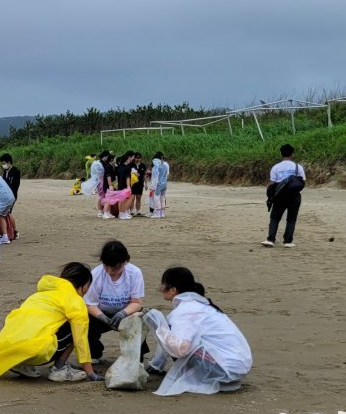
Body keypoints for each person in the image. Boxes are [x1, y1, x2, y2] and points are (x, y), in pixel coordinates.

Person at [0, 261, 101, 382]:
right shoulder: (75, 301)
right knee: (77, 326)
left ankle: (20, 362)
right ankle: (59, 369)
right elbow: (80, 339)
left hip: (11, 345)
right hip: (37, 351)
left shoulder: (40, 295)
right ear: (84, 285)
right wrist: (90, 372)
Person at [144, 266, 252, 395]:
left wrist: (157, 324)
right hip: (237, 367)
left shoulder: (186, 309)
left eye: (163, 285)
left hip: (225, 371)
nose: (161, 289)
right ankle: (157, 366)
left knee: (167, 331)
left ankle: (206, 377)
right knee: (169, 330)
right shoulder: (199, 304)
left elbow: (180, 349)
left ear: (173, 290)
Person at [82, 240, 146, 364]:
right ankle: (93, 353)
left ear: (125, 262)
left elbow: (137, 303)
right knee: (84, 321)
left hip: (126, 313)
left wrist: (123, 313)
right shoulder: (96, 274)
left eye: (115, 267)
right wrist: (101, 317)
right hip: (101, 312)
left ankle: (137, 358)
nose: (110, 271)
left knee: (138, 321)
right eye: (106, 266)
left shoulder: (134, 273)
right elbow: (90, 304)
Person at [262, 144, 305, 248]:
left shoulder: (276, 167)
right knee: (291, 219)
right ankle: (288, 241)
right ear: (292, 154)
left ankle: (270, 239)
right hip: (294, 195)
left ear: (281, 154)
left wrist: (271, 197)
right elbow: (302, 182)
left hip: (280, 196)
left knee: (275, 218)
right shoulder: (298, 167)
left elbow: (273, 184)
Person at [0, 153, 21, 241]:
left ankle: (15, 231)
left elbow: (15, 185)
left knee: (7, 213)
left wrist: (11, 195)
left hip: (12, 196)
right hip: (4, 196)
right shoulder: (5, 171)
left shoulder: (16, 171)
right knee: (5, 214)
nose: (3, 165)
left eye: (4, 163)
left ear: (9, 162)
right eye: (2, 163)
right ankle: (8, 232)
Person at [149, 152, 169, 218]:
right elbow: (166, 175)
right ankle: (162, 213)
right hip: (164, 184)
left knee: (156, 198)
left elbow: (155, 177)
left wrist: (153, 186)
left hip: (158, 184)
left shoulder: (155, 167)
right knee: (163, 198)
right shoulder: (165, 166)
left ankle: (157, 213)